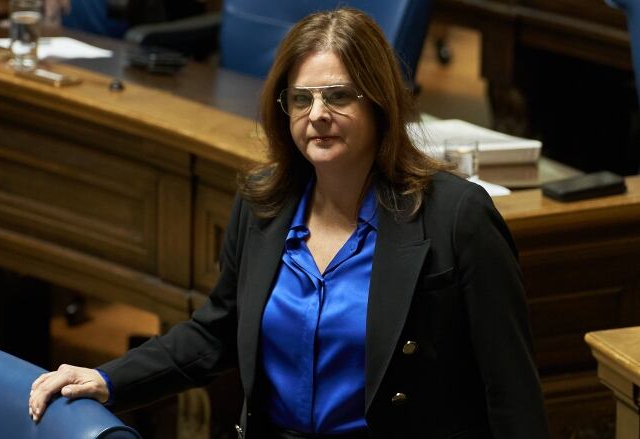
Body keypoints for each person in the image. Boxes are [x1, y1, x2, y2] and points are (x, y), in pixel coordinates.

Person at [28, 7, 550, 438]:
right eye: (301, 99)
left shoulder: (455, 217)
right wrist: (106, 378)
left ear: (379, 103)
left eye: (338, 96)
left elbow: (510, 392)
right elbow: (218, 333)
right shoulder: (264, 203)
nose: (316, 114)